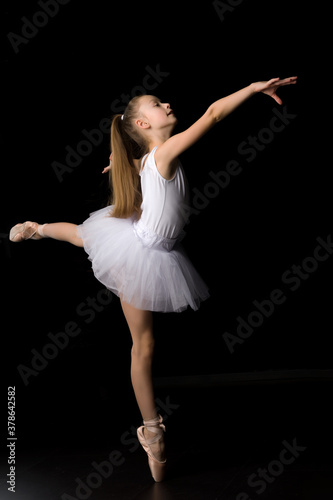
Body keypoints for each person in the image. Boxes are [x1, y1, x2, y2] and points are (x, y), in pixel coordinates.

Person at [9, 76, 297, 481]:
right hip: (140, 253)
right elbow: (214, 114)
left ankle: (38, 228)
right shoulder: (162, 153)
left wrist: (122, 163)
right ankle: (153, 430)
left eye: (161, 101)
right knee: (140, 340)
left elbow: (139, 165)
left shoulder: (150, 158)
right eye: (156, 104)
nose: (165, 105)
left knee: (82, 235)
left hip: (154, 246)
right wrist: (251, 90)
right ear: (143, 125)